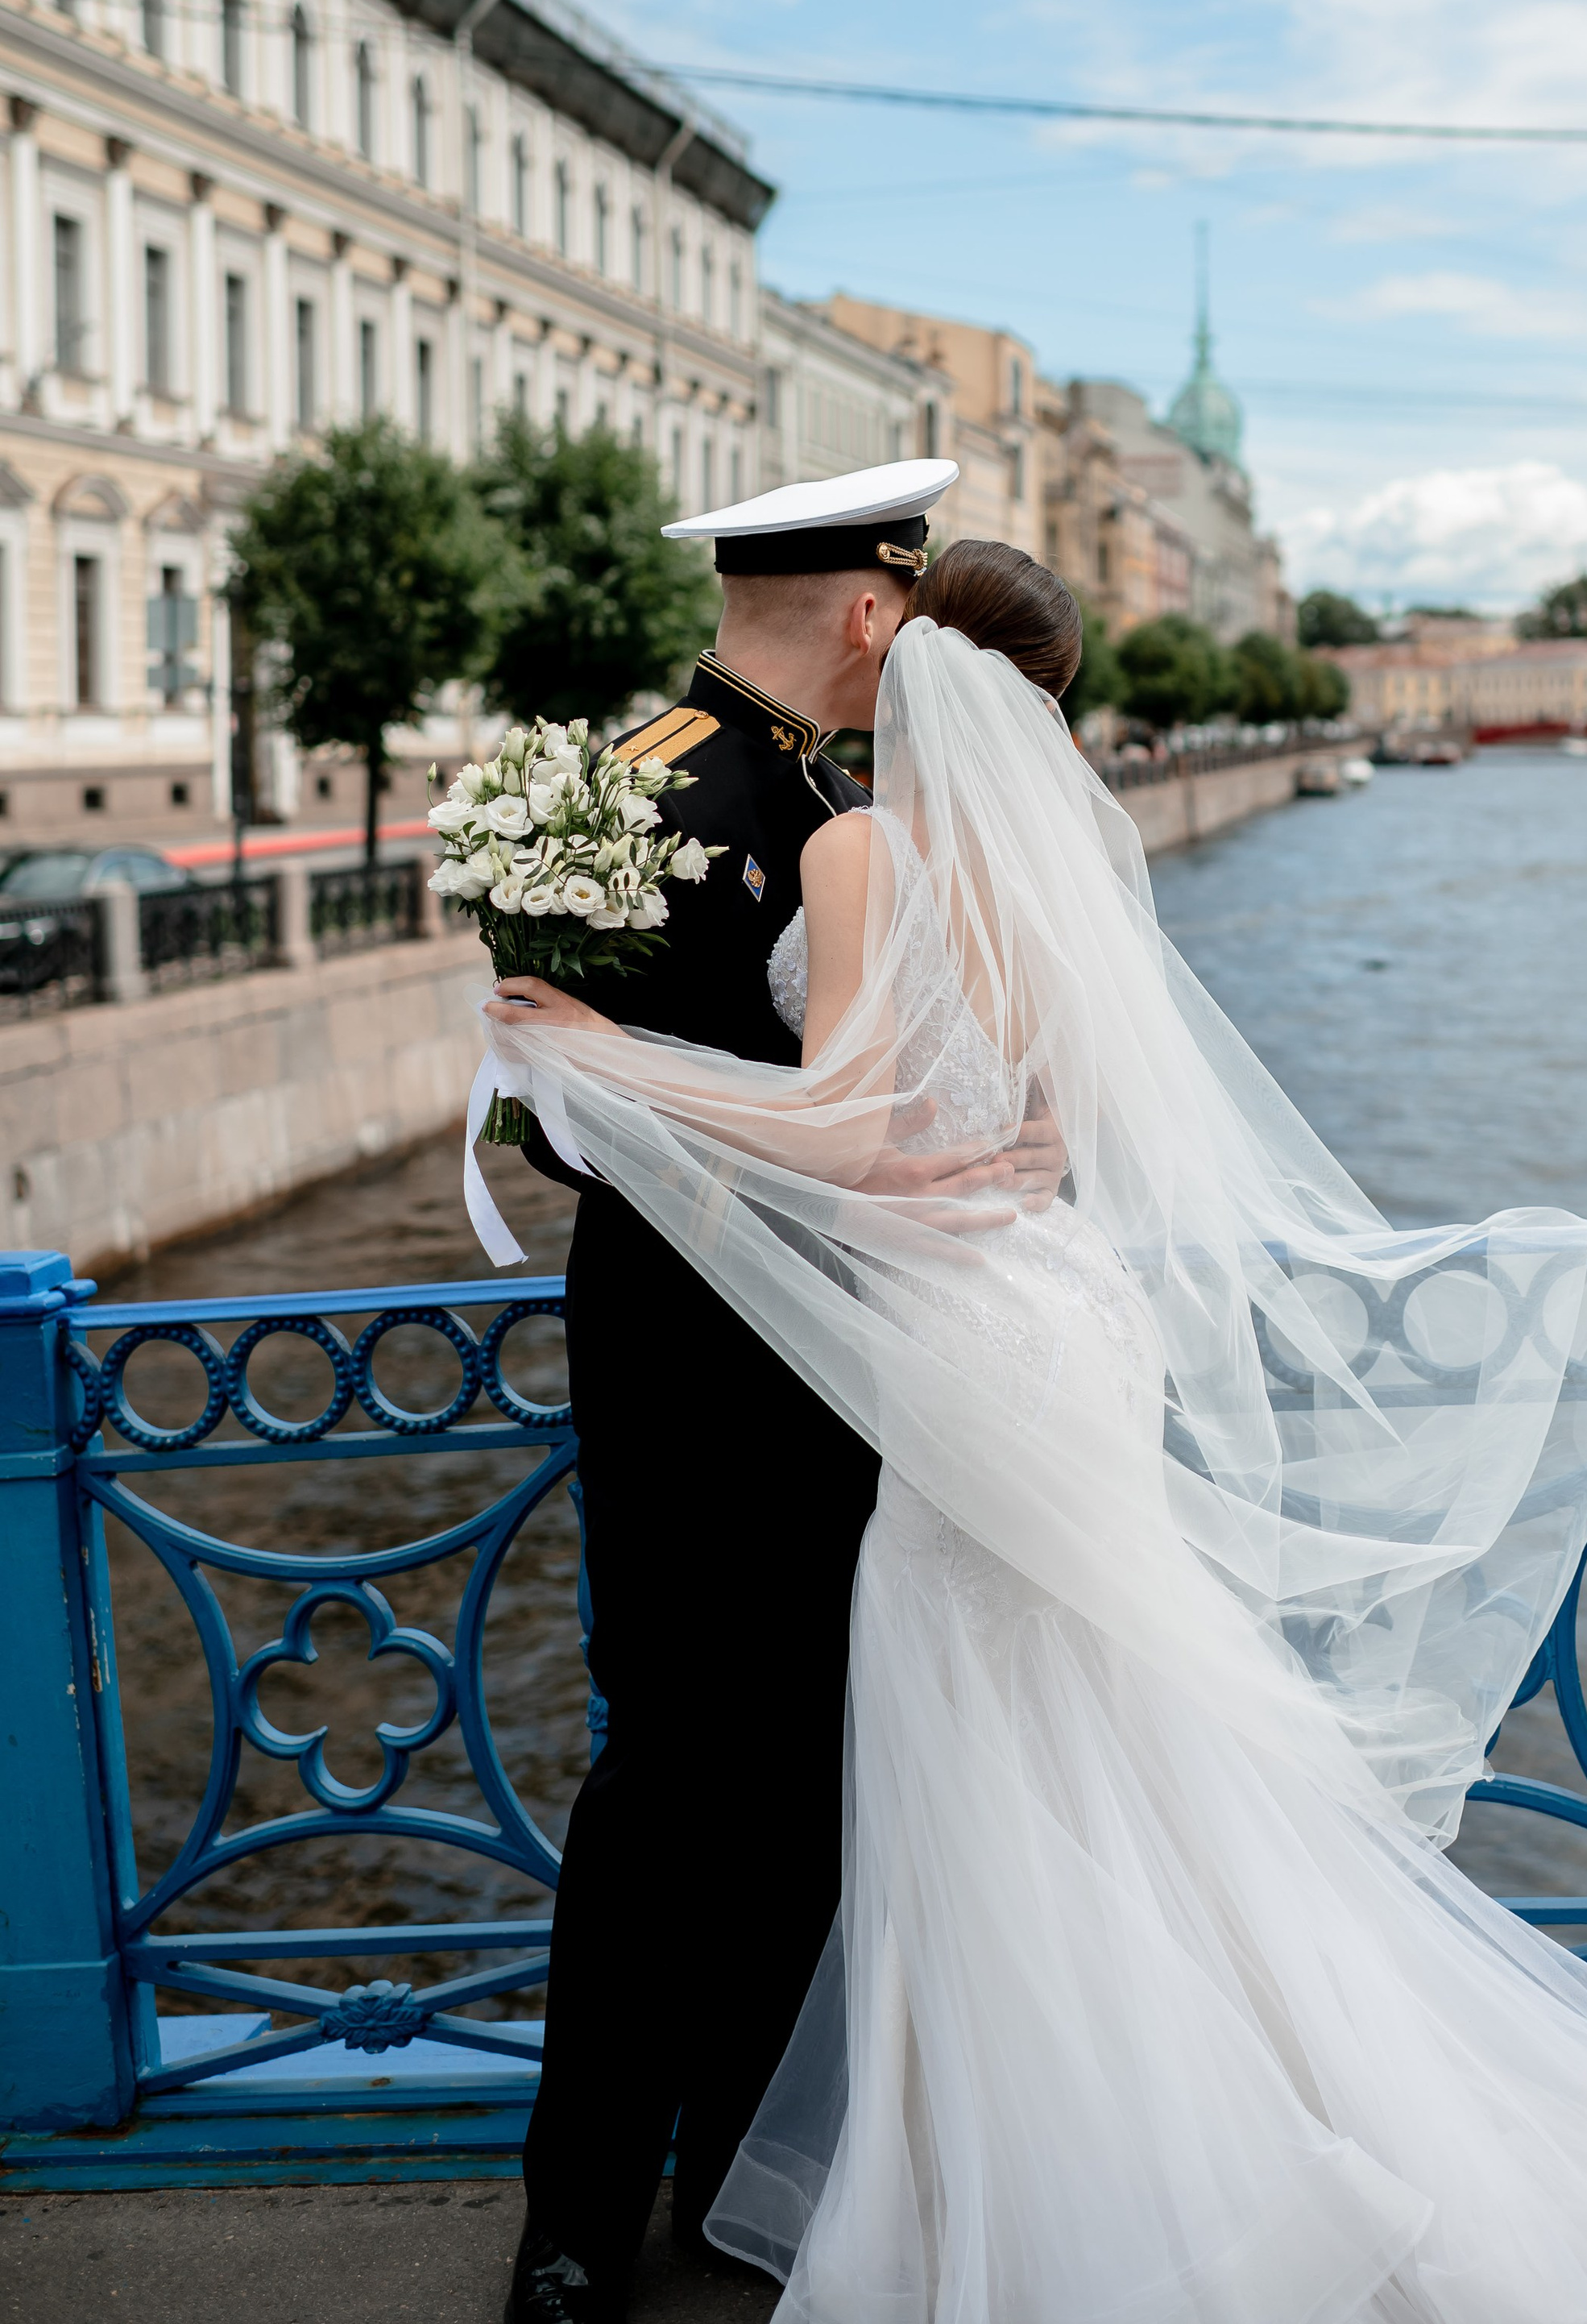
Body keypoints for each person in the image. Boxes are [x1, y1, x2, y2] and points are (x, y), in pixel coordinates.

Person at [487, 542, 1587, 2324]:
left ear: (904, 648)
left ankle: (977, 2172)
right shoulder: (1038, 849)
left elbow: (854, 1126)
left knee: (958, 1751)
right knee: (1060, 1737)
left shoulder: (855, 842)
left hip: (944, 1339)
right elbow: (1037, 1114)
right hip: (1029, 1317)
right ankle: (1076, 2151)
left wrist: (596, 1057)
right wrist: (992, 1138)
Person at [503, 467, 1063, 2324]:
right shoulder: (637, 789)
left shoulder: (849, 802)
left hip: (867, 1359)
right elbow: (549, 1112)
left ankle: (748, 2167)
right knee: (669, 1774)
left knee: (822, 1774)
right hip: (687, 1359)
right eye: (905, 601)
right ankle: (578, 2218)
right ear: (869, 604)